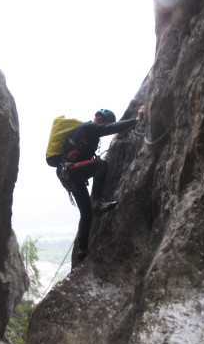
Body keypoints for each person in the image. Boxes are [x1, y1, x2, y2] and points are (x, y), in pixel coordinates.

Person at [58, 106, 144, 262]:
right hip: (71, 171)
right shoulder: (89, 127)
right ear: (99, 119)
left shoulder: (88, 133)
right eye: (103, 122)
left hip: (68, 174)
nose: (102, 125)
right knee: (100, 165)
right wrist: (136, 120)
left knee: (86, 213)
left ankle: (83, 250)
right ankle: (97, 200)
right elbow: (111, 128)